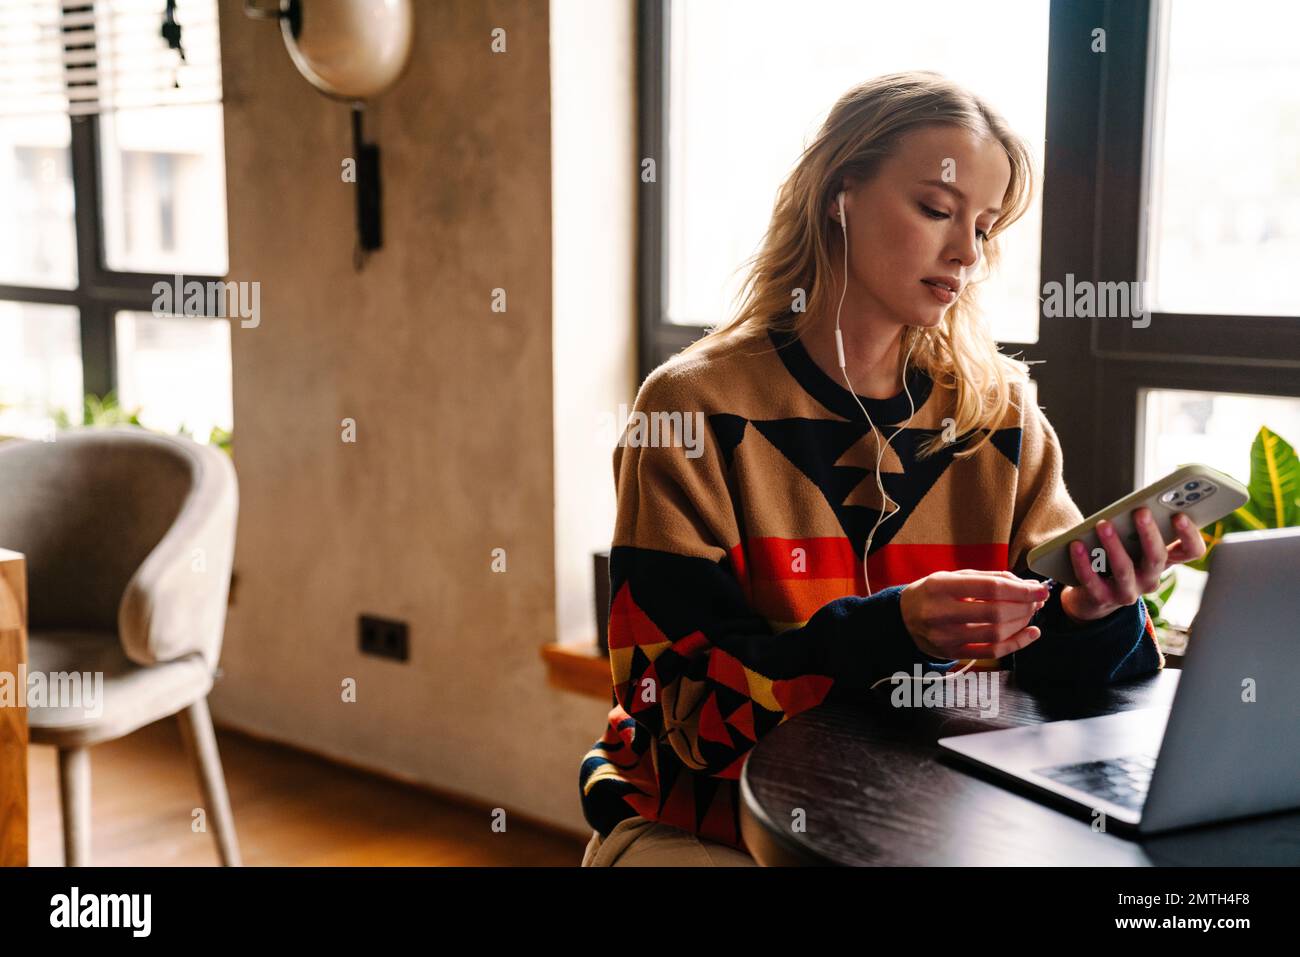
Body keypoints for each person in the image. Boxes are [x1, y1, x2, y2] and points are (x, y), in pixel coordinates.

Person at [577, 70, 1206, 867]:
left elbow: (1068, 692)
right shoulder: (694, 410)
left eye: (984, 226)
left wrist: (1095, 613)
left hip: (937, 828)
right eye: (937, 210)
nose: (966, 252)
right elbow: (678, 712)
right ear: (840, 193)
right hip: (712, 828)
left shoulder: (1001, 417)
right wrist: (889, 632)